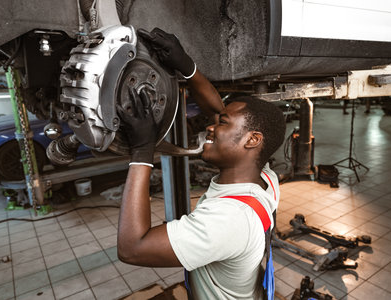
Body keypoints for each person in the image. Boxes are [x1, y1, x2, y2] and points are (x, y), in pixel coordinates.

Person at [117, 27, 286, 299]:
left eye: (221, 124)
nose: (210, 126)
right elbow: (218, 112)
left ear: (252, 140)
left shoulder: (228, 219)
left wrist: (142, 150)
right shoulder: (263, 179)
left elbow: (132, 248)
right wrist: (186, 66)